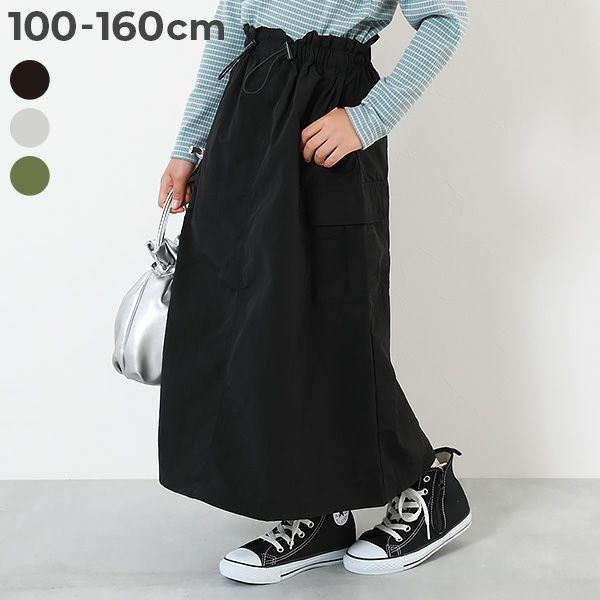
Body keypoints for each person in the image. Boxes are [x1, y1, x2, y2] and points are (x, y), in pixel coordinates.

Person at [157, 0, 470, 584]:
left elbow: (445, 19)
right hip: (246, 112)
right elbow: (230, 21)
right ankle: (318, 507)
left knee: (333, 316)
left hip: (325, 115)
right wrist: (189, 145)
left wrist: (368, 118)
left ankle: (428, 484)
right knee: (249, 317)